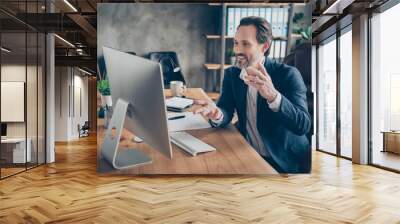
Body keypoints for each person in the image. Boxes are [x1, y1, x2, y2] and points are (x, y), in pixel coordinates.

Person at [194, 16, 311, 173]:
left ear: (264, 47)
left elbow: (303, 126)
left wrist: (273, 96)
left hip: (284, 162)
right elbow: (226, 108)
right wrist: (218, 114)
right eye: (236, 43)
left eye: (245, 44)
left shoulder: (288, 74)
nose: (237, 50)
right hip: (248, 153)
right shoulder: (232, 74)